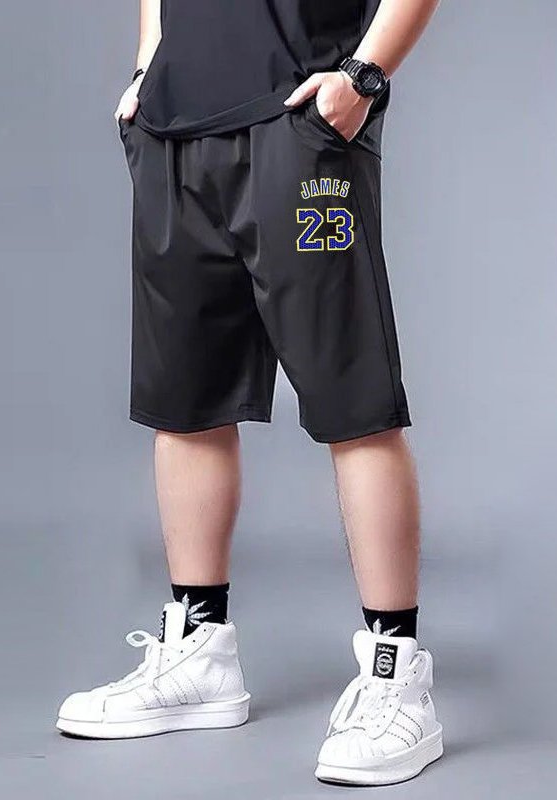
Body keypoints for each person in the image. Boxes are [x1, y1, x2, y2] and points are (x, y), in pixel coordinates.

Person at [58, 0, 442, 786]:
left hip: (296, 126)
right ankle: (200, 653)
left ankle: (397, 675)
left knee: (353, 402)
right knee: (185, 403)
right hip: (173, 129)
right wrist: (148, 63)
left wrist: (363, 76)